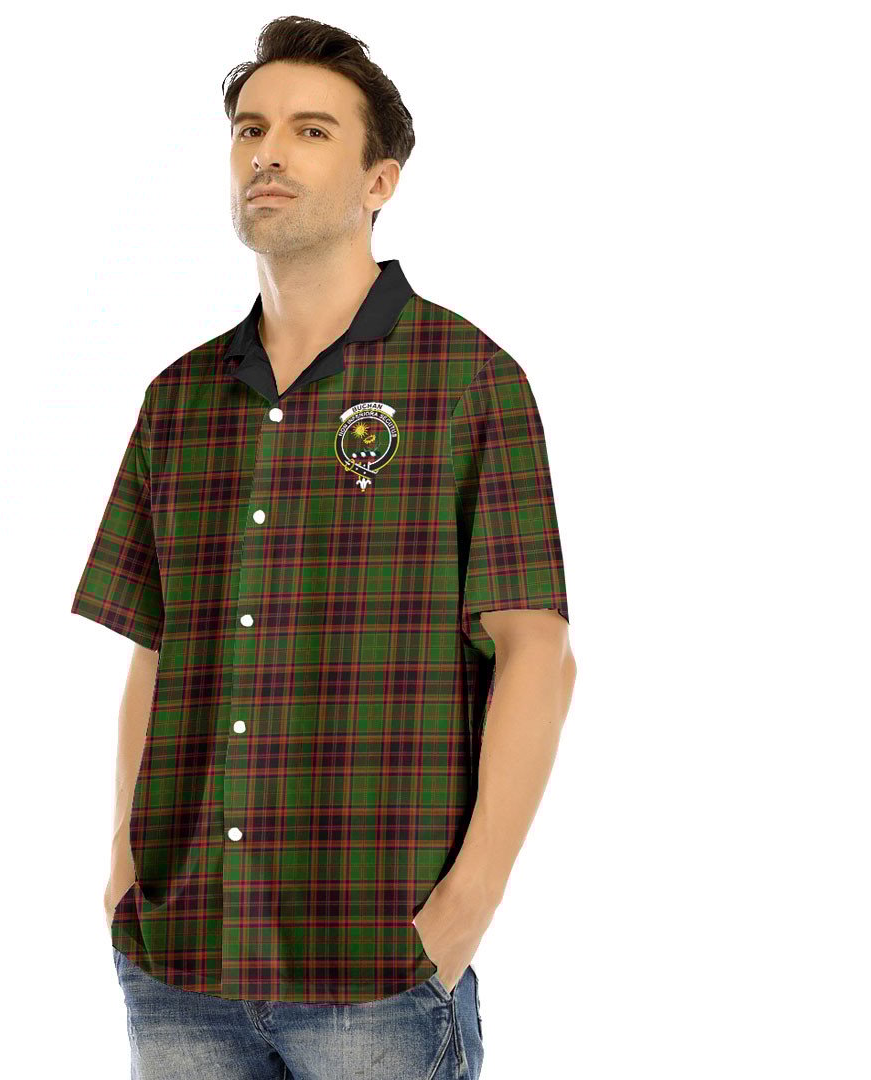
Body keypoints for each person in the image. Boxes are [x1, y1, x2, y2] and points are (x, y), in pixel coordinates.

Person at [71, 15, 575, 1079]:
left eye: (311, 131)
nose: (269, 153)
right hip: (180, 964)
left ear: (379, 180)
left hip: (377, 971)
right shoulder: (178, 399)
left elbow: (537, 651)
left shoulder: (467, 380)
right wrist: (123, 865)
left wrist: (466, 906)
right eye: (250, 129)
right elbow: (155, 649)